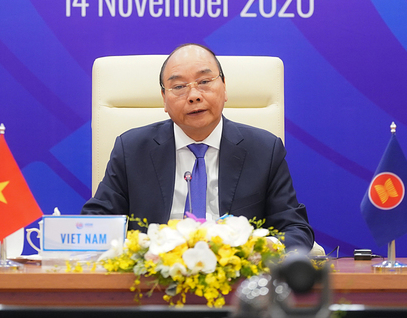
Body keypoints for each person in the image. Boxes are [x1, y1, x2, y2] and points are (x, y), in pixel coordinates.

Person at [81, 44, 314, 249]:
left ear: (224, 87)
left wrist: (259, 249)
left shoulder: (264, 150)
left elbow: (295, 229)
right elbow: (96, 222)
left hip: (237, 278)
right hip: (153, 276)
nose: (193, 95)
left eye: (204, 82)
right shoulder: (132, 150)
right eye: (178, 86)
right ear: (164, 99)